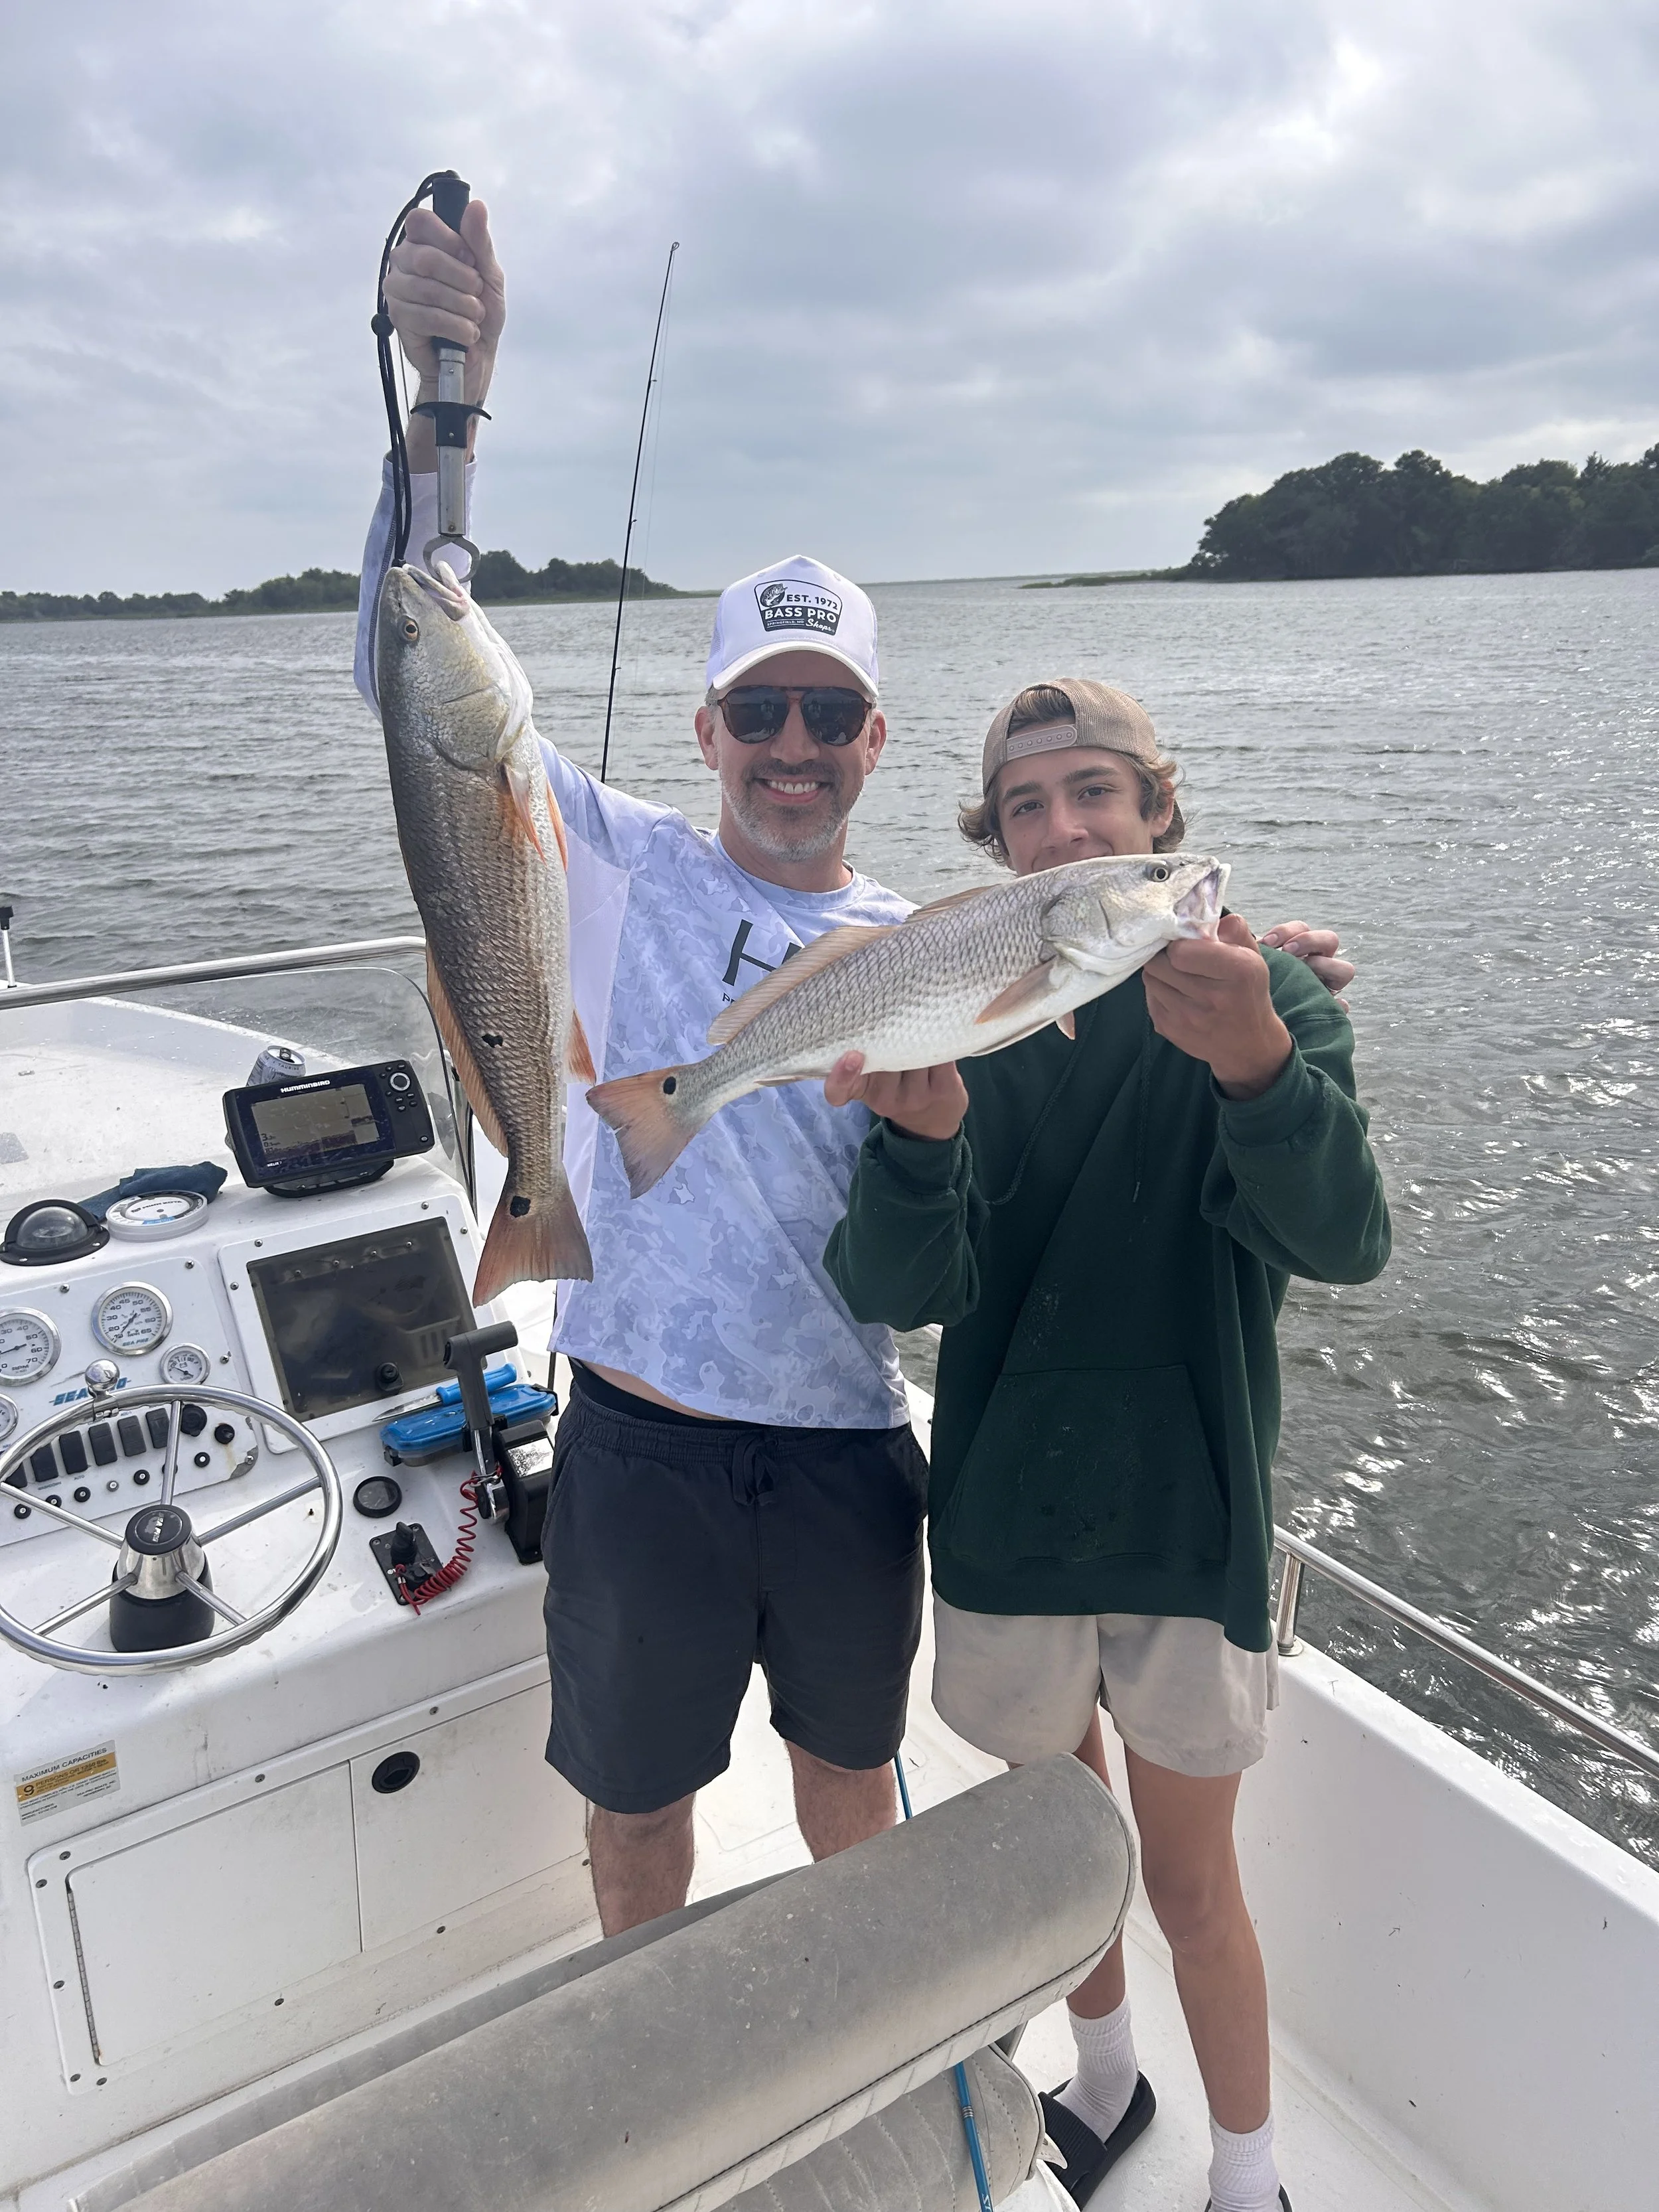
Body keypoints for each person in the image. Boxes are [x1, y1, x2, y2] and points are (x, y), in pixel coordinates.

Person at [354, 200, 1358, 1945]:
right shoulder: (612, 861)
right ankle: (654, 2051)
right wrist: (443, 411)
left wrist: (1274, 976)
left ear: (875, 740)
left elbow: (1090, 1022)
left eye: (829, 714)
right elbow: (419, 690)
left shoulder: (935, 936)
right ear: (710, 732)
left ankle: (876, 2065)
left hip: (839, 1442)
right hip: (643, 1439)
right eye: (762, 710)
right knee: (635, 1810)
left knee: (850, 1796)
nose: (794, 747)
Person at [822, 679, 1390, 2212]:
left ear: (1156, 820)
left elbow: (1345, 1241)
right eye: (1026, 807)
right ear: (1000, 854)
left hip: (1184, 1519)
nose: (1064, 823)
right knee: (1059, 1861)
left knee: (1192, 1879)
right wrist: (916, 1143)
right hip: (1005, 1519)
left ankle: (1252, 2174)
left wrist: (1262, 1063)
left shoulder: (1270, 995)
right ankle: (1105, 2082)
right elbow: (889, 1292)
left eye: (1094, 795)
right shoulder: (962, 1019)